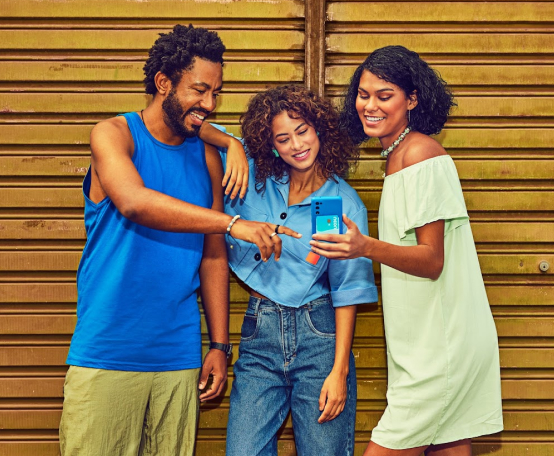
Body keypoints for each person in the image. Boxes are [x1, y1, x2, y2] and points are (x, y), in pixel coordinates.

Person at [59, 24, 298, 456]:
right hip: (108, 351)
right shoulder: (113, 135)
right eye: (200, 90)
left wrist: (220, 345)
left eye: (216, 93)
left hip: (178, 356)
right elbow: (133, 201)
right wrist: (230, 222)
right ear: (164, 83)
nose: (209, 104)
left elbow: (212, 256)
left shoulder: (206, 153)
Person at [310, 45, 504, 456]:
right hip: (425, 343)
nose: (370, 105)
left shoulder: (419, 155)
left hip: (440, 349)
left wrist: (364, 247)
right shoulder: (397, 155)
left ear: (412, 99)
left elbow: (432, 260)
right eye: (363, 94)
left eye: (385, 95)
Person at [199, 84, 378, 456]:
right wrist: (232, 144)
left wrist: (339, 371)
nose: (296, 145)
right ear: (271, 144)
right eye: (283, 138)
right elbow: (193, 123)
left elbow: (347, 291)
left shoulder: (335, 204)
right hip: (259, 332)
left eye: (302, 131)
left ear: (319, 130)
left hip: (319, 336)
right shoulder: (253, 175)